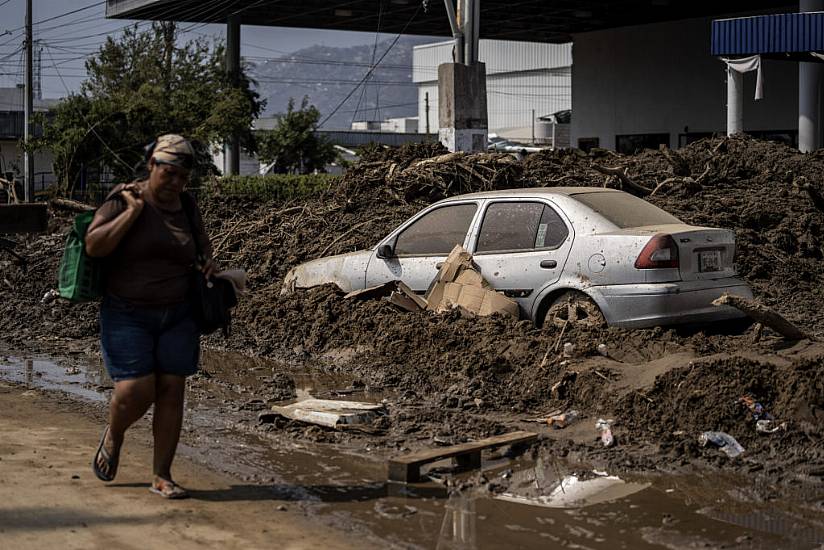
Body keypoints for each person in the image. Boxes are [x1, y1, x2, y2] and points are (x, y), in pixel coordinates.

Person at [85, 134, 215, 499]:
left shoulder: (187, 206)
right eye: (168, 173)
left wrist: (208, 265)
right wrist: (132, 213)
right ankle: (115, 432)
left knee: (172, 390)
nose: (175, 182)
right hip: (127, 313)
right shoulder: (125, 197)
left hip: (178, 314)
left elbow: (202, 247)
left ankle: (161, 475)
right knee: (136, 390)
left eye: (182, 176)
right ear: (152, 166)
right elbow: (94, 246)